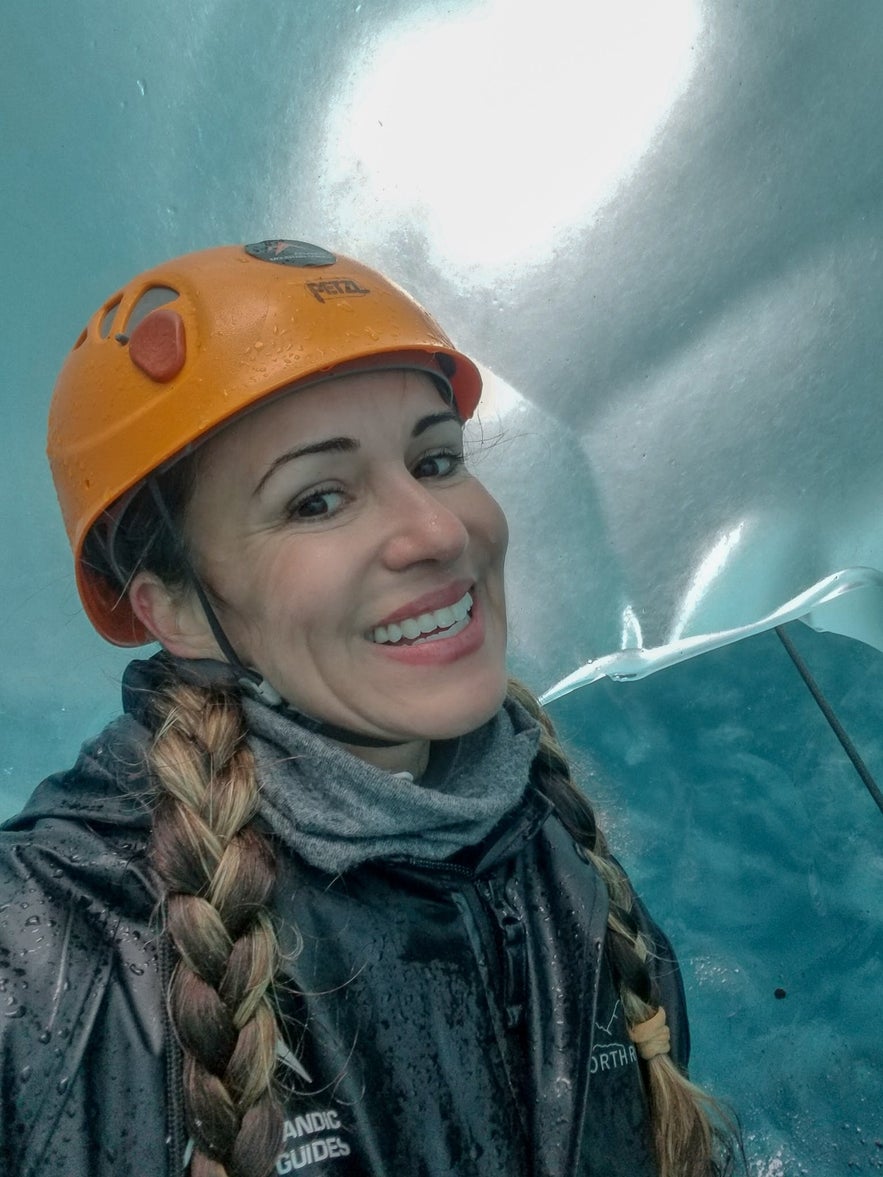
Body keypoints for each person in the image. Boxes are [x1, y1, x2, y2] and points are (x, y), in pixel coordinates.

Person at [0, 240, 734, 1177]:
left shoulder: (541, 828)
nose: (436, 532)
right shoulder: (57, 940)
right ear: (175, 609)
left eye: (434, 461)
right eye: (316, 499)